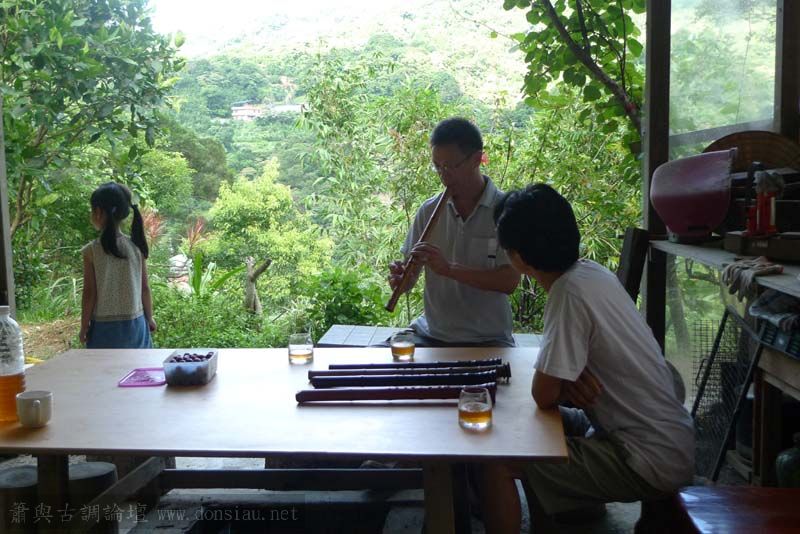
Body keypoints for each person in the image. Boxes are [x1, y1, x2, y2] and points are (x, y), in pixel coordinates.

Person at [476, 184, 694, 533]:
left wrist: (561, 385)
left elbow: (542, 393)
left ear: (518, 258)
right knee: (534, 424)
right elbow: (554, 383)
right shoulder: (591, 272)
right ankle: (560, 517)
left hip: (644, 457)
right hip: (668, 437)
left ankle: (564, 510)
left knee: (499, 462)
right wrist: (566, 383)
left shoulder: (567, 293)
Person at [388, 117, 520, 347]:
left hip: (488, 339)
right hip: (430, 334)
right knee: (376, 362)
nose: (443, 175)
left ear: (477, 159)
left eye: (450, 166)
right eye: (437, 166)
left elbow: (509, 281)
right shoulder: (428, 210)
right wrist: (402, 280)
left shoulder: (506, 212)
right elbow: (408, 282)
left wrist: (449, 269)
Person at [80, 182, 156, 348]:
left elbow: (89, 293)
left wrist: (84, 326)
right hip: (136, 326)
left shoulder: (91, 251)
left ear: (98, 212)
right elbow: (144, 288)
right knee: (137, 365)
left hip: (103, 330)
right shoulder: (136, 247)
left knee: (105, 366)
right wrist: (150, 318)